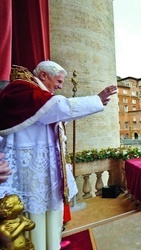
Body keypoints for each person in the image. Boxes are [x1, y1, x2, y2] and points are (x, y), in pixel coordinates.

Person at [0, 61, 117, 250]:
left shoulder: (37, 96)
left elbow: (54, 117)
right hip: (31, 173)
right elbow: (60, 108)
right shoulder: (23, 91)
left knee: (48, 216)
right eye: (59, 81)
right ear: (44, 75)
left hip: (44, 171)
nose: (61, 86)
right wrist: (96, 99)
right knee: (34, 217)